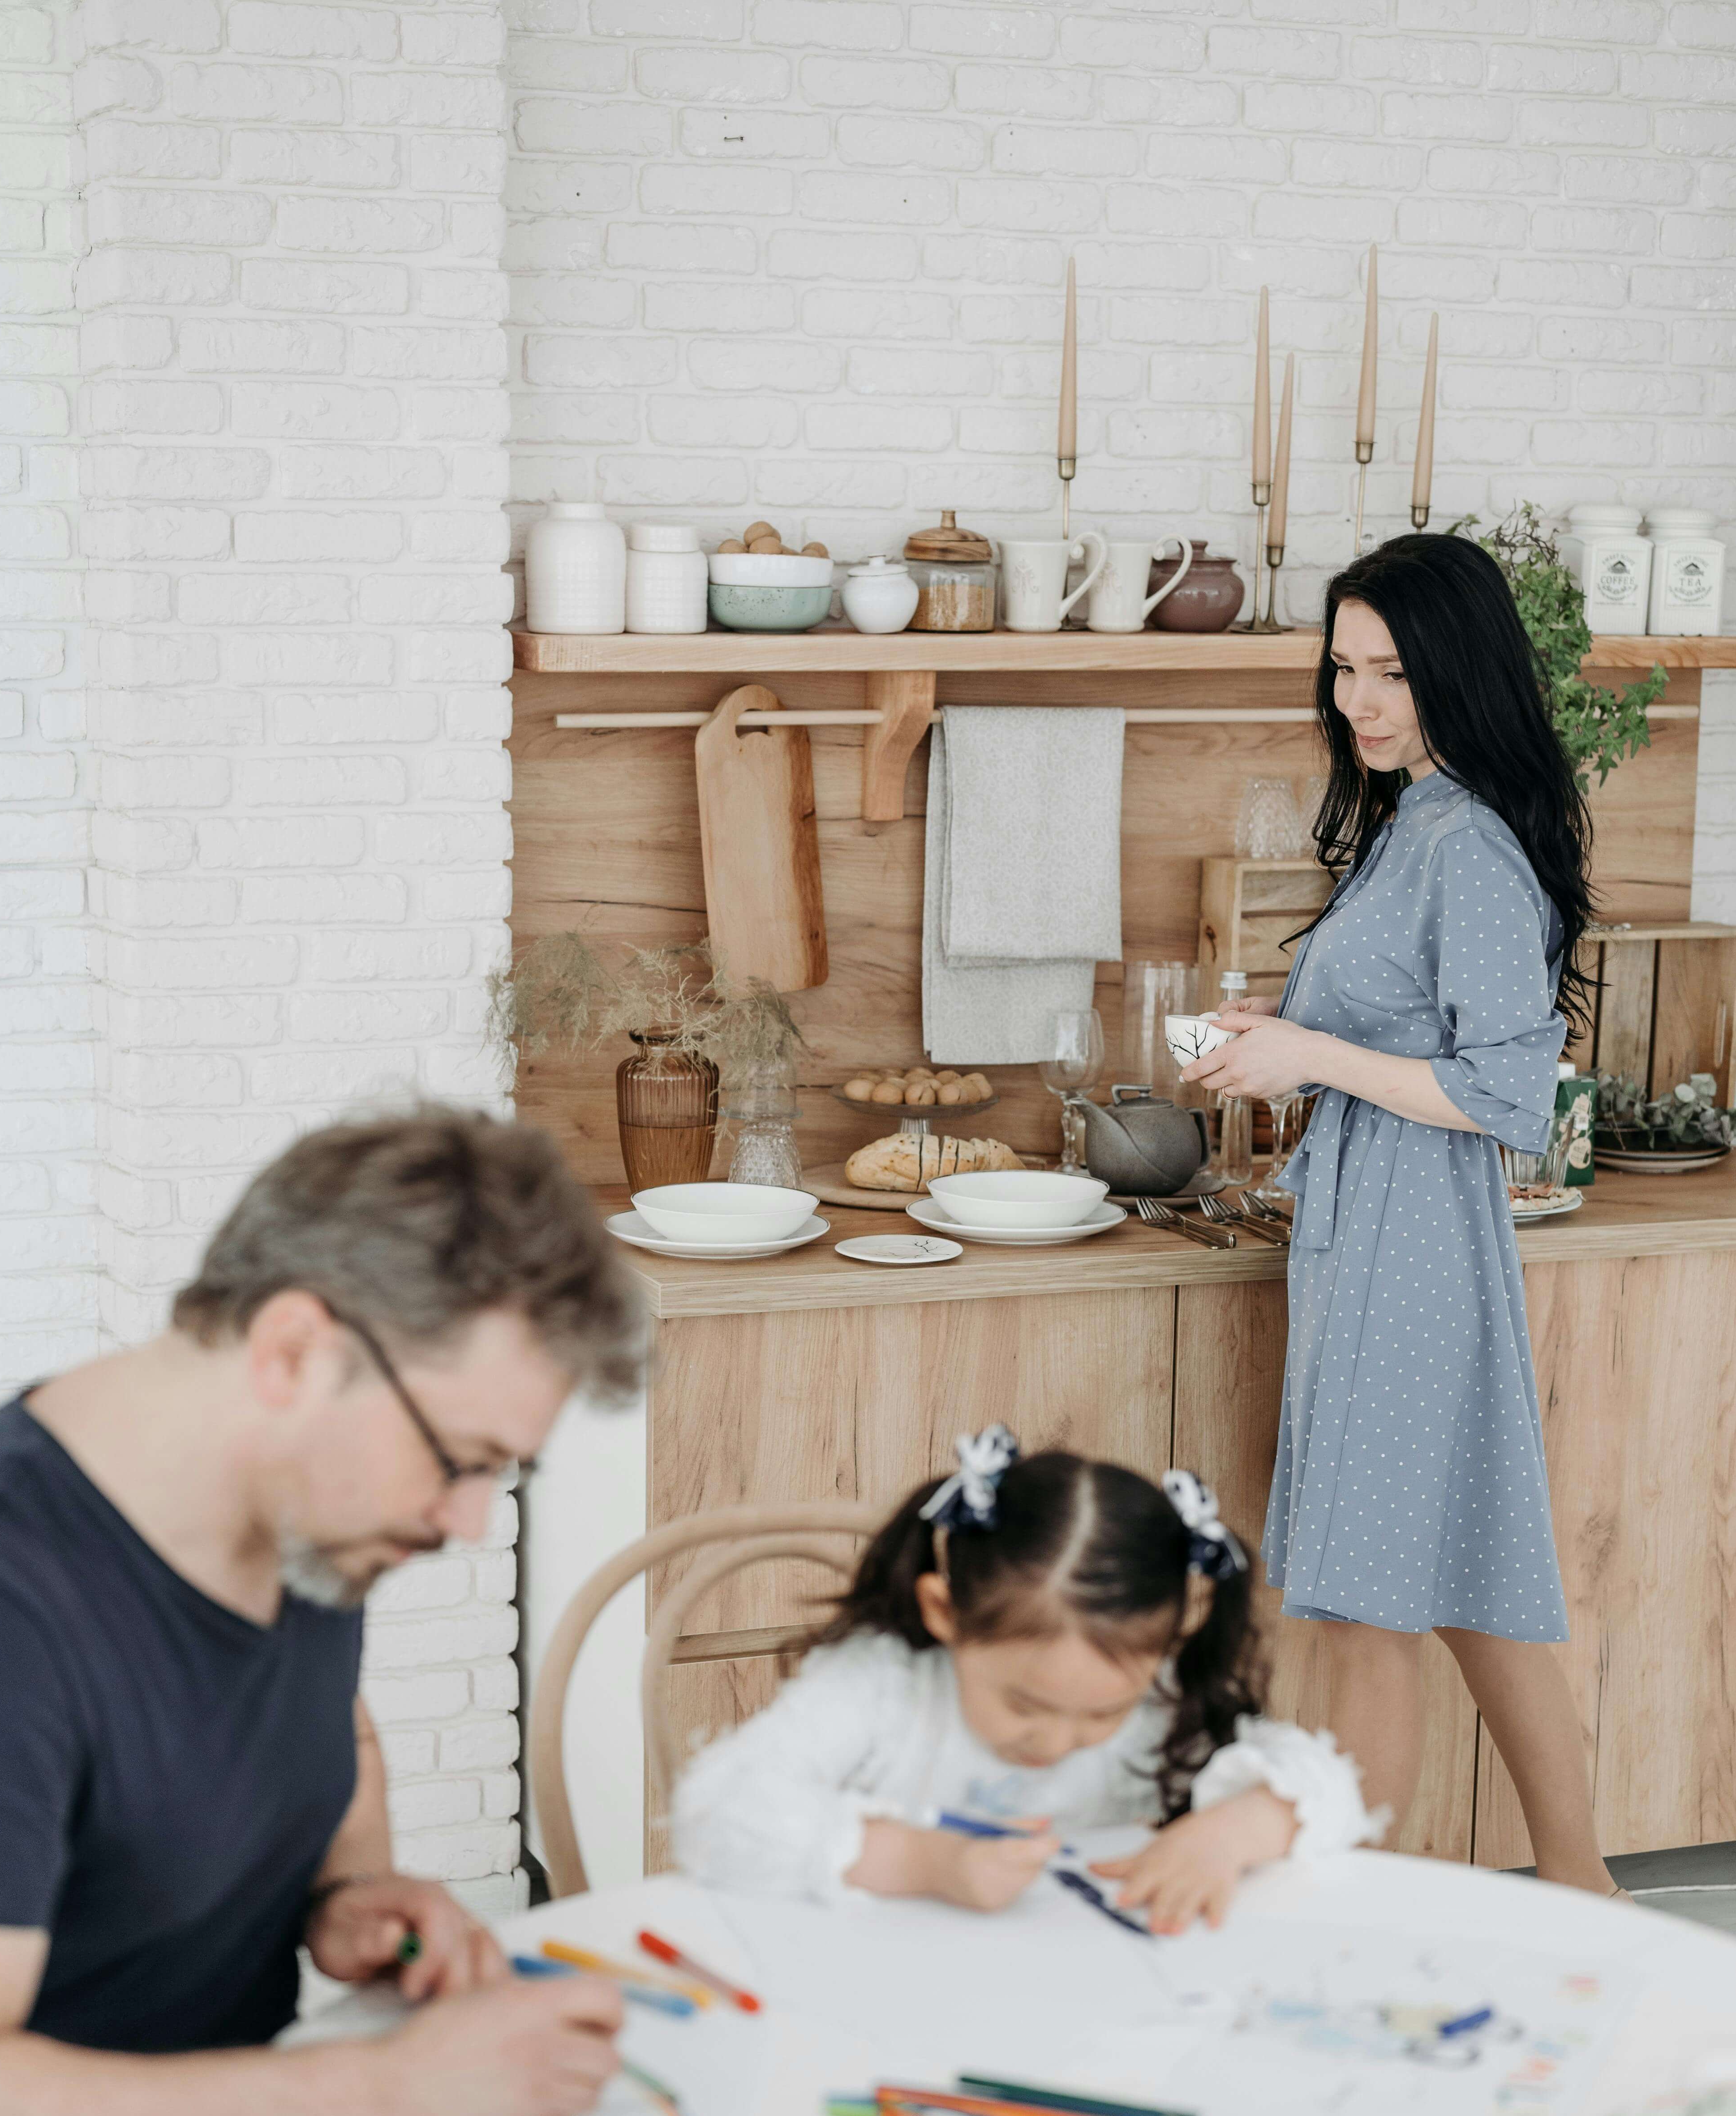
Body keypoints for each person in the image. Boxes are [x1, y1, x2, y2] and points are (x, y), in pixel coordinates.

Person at [0, 1109, 645, 2116]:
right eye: (462, 1460)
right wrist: (399, 2096)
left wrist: (349, 1888)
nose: (472, 1524)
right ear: (292, 1350)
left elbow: (328, 1719)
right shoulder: (10, 1609)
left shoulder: (291, 1527)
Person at [1181, 532, 1614, 1893]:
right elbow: (1413, 1027)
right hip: (1380, 1230)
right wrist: (1287, 1023)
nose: (1360, 700)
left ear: (1456, 672)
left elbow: (1504, 1089)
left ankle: (1340, 1905)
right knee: (1460, 1585)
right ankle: (1581, 1886)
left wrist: (1306, 1058)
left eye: (1392, 672)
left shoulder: (1466, 842)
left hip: (1412, 1245)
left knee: (1367, 1605)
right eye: (1343, 669)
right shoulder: (1413, 818)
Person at [673, 1429, 1379, 1922]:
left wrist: (1231, 1831)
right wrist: (925, 1863)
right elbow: (717, 1812)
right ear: (945, 1611)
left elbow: (1330, 1787)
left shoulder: (1160, 1706)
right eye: (1024, 1702)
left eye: (1102, 1714)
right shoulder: (885, 1687)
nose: (1059, 1739)